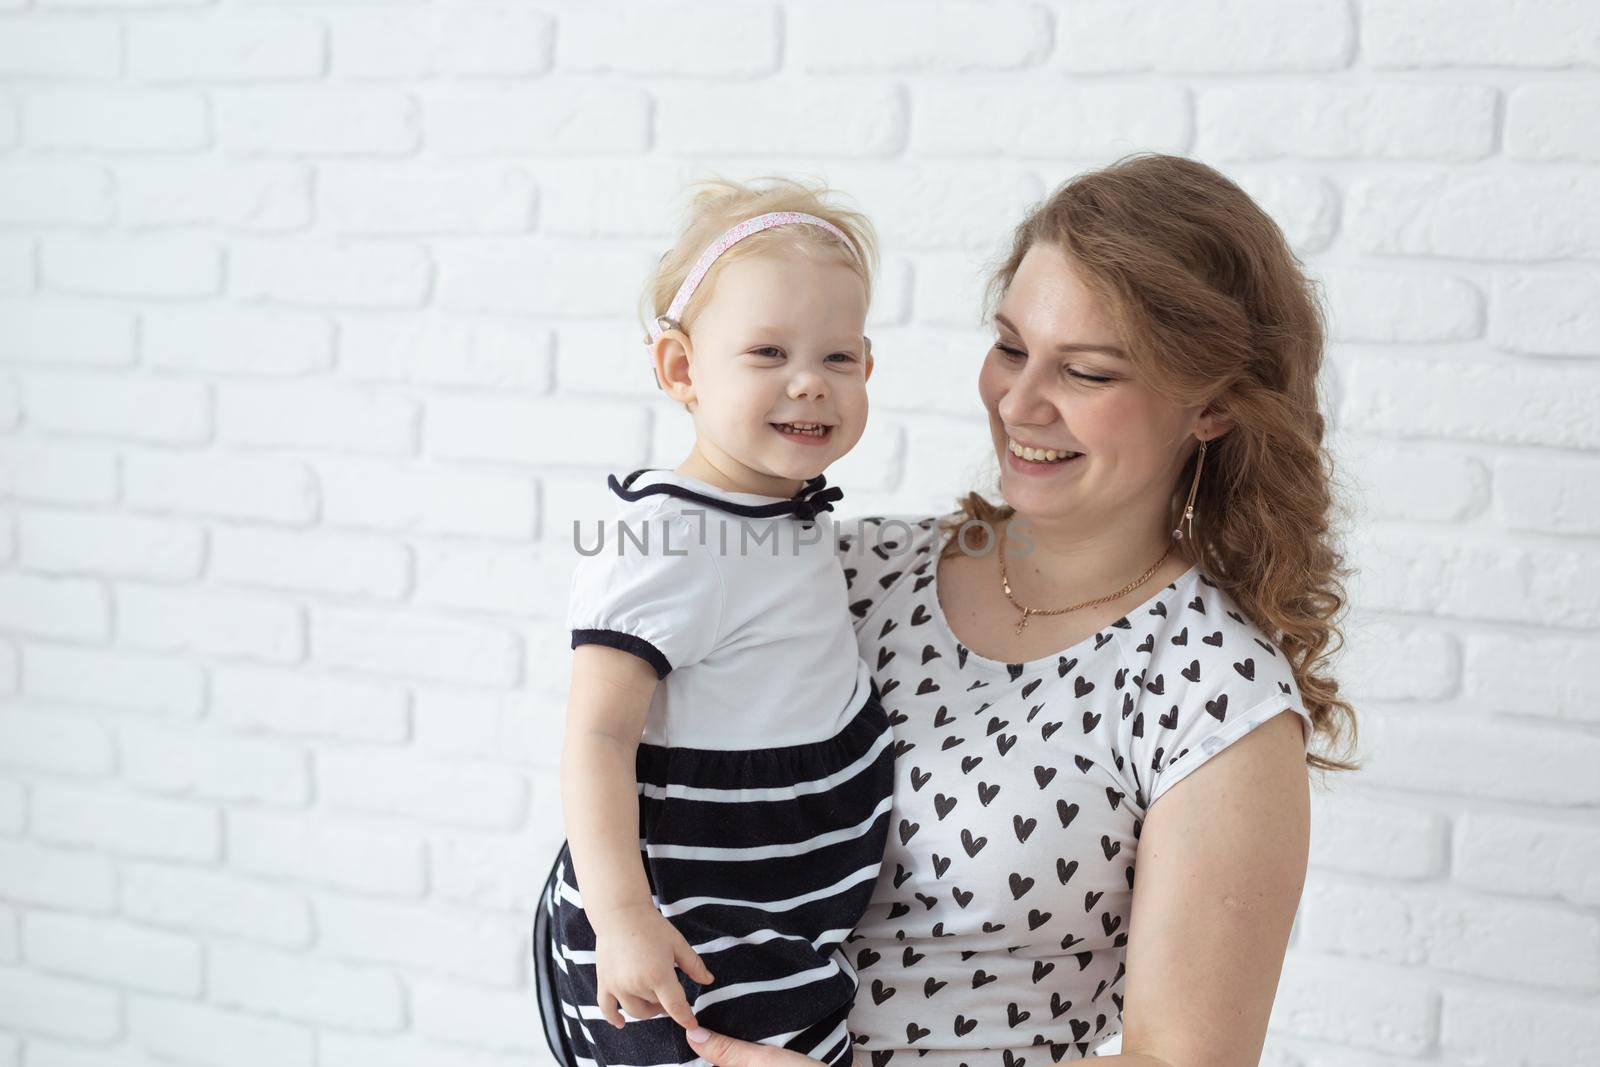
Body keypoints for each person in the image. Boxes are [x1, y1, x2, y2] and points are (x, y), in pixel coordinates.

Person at [679, 154, 1360, 1067]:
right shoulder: (845, 571)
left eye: (1085, 372)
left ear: (1214, 408)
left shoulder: (1214, 695)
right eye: (1009, 347)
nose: (1019, 401)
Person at [534, 177, 894, 1067]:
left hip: (777, 919)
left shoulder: (782, 512)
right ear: (682, 370)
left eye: (838, 358)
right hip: (685, 930)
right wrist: (623, 916)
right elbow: (598, 734)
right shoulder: (667, 534)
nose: (809, 383)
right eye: (767, 352)